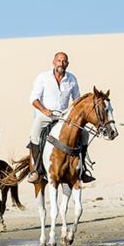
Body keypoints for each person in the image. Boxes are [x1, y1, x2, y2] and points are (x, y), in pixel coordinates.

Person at [27, 52, 84, 183]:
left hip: (64, 117)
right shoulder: (43, 77)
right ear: (53, 62)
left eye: (64, 61)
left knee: (84, 133)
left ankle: (83, 169)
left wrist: (72, 113)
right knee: (34, 134)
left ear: (67, 64)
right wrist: (44, 110)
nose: (61, 64)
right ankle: (36, 169)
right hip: (45, 115)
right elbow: (33, 98)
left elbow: (77, 99)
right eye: (59, 61)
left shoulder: (71, 79)